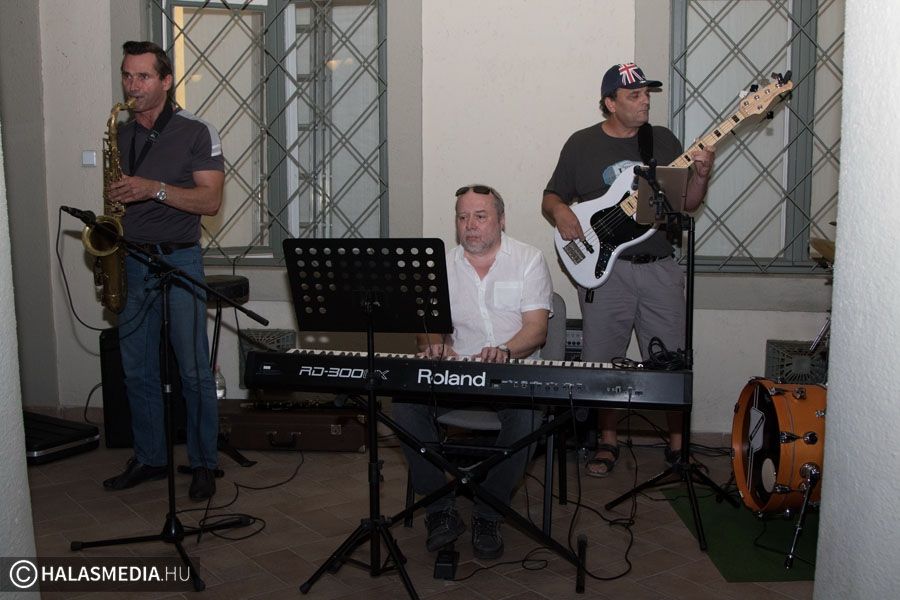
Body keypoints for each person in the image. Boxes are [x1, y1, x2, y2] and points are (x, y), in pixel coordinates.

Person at [541, 63, 715, 477]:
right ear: (609, 103)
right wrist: (561, 212)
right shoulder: (582, 144)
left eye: (647, 94)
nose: (644, 101)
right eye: (634, 95)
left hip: (658, 267)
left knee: (671, 359)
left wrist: (702, 175)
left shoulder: (663, 140)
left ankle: (678, 446)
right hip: (606, 271)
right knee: (604, 362)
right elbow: (551, 196)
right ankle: (607, 441)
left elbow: (687, 204)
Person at [393, 184, 553, 560]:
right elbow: (427, 328)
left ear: (501, 220)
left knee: (529, 418)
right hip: (456, 373)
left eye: (480, 216)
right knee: (403, 406)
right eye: (462, 217)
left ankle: (488, 511)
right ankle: (440, 508)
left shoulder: (528, 259)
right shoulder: (440, 266)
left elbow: (536, 330)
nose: (470, 225)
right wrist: (435, 346)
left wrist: (505, 351)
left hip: (511, 372)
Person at [102, 41, 225, 500]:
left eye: (143, 77)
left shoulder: (196, 131)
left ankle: (204, 462)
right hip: (131, 259)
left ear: (166, 81)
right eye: (127, 75)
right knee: (136, 370)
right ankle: (151, 457)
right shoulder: (120, 134)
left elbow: (210, 201)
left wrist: (153, 189)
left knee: (193, 370)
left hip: (178, 259)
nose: (132, 86)